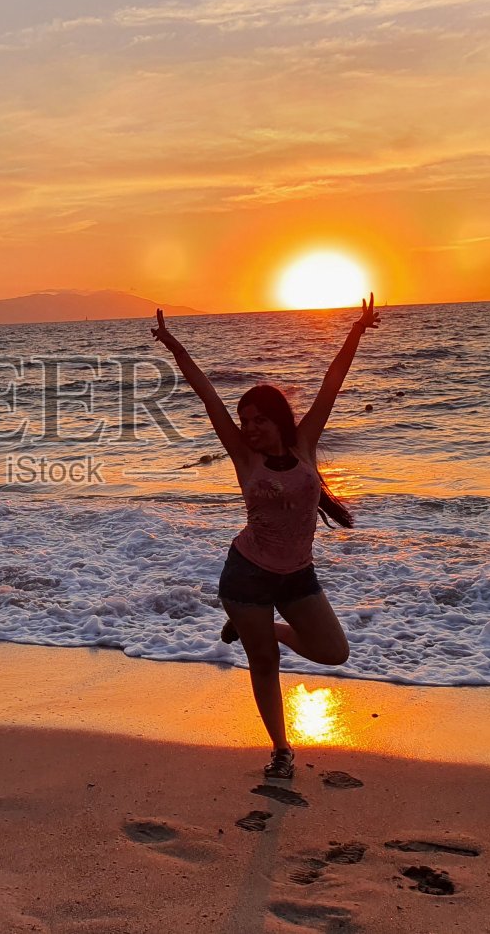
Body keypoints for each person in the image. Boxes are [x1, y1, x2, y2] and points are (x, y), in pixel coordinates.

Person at [151, 297, 381, 779]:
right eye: (245, 420)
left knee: (333, 651)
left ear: (279, 419)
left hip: (298, 576)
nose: (249, 427)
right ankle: (281, 748)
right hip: (248, 576)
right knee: (265, 664)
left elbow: (331, 386)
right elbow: (207, 396)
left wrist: (357, 331)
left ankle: (258, 630)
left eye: (258, 419)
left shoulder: (305, 445)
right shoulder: (243, 458)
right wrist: (173, 344)